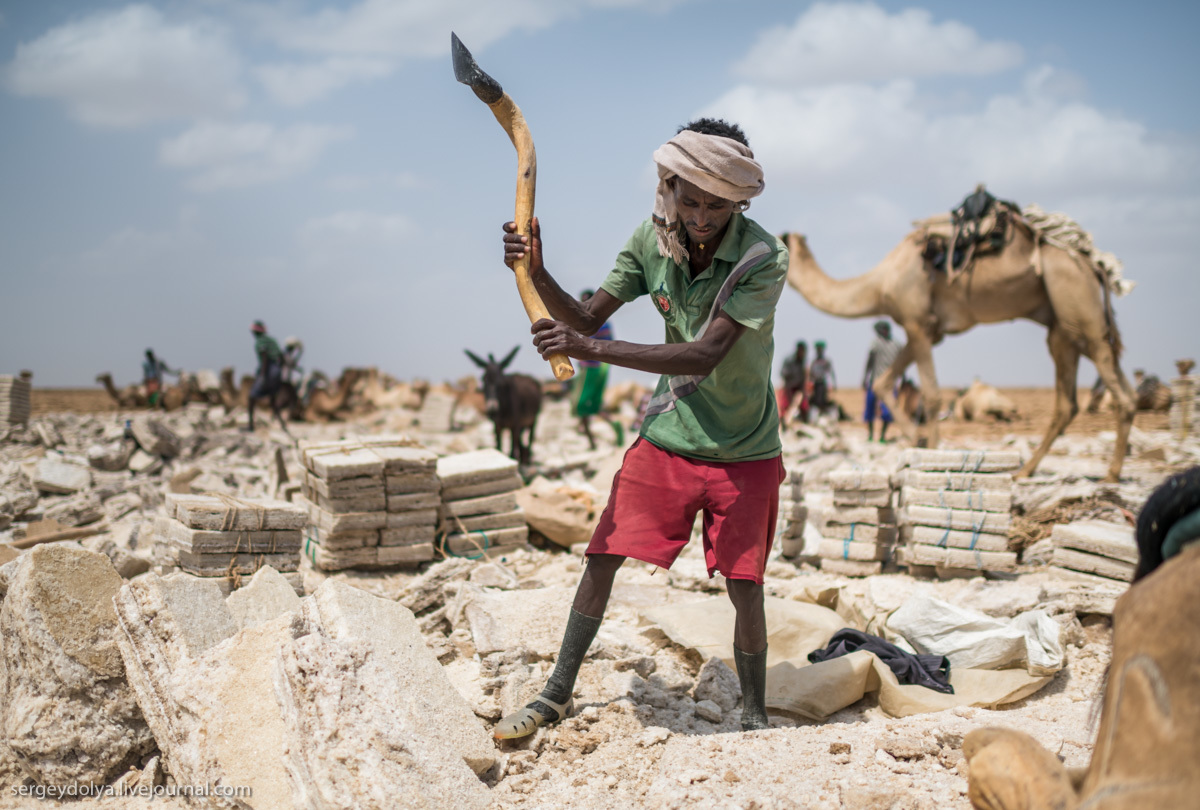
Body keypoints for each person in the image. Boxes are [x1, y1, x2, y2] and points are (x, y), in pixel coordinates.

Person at [495, 118, 787, 738]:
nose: (703, 217)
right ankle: (555, 694)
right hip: (669, 435)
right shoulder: (649, 243)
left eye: (718, 205)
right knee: (602, 557)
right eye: (691, 200)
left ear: (739, 200)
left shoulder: (764, 257)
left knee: (745, 584)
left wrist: (589, 347)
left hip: (746, 445)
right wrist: (539, 273)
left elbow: (705, 354)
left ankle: (755, 714)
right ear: (669, 188)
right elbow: (588, 316)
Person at [571, 290, 624, 449]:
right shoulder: (603, 322)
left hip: (593, 368)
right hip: (597, 367)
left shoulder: (594, 323)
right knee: (590, 407)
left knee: (581, 406)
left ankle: (596, 439)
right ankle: (594, 440)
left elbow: (591, 346)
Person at [862, 320, 902, 442]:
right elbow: (870, 361)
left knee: (887, 411)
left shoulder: (894, 345)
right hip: (878, 381)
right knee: (870, 409)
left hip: (886, 382)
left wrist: (865, 377)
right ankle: (871, 435)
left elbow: (901, 362)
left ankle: (881, 435)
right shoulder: (879, 343)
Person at [246, 320, 286, 431]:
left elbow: (264, 358)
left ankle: (250, 426)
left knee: (251, 397)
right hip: (276, 371)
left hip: (268, 370)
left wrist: (263, 375)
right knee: (273, 400)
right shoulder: (272, 341)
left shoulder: (260, 342)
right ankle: (283, 426)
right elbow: (282, 357)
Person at [778, 341, 808, 428]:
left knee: (803, 404)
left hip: (798, 388)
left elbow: (803, 377)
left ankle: (804, 423)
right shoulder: (789, 360)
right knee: (785, 405)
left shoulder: (802, 362)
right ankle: (783, 423)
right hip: (788, 387)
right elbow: (784, 374)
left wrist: (802, 391)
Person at [808, 341, 836, 419]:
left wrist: (833, 384)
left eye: (820, 349)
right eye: (818, 349)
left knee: (823, 400)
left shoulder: (826, 362)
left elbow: (831, 373)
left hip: (823, 383)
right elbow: (810, 374)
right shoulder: (814, 362)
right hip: (815, 384)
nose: (819, 351)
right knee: (816, 400)